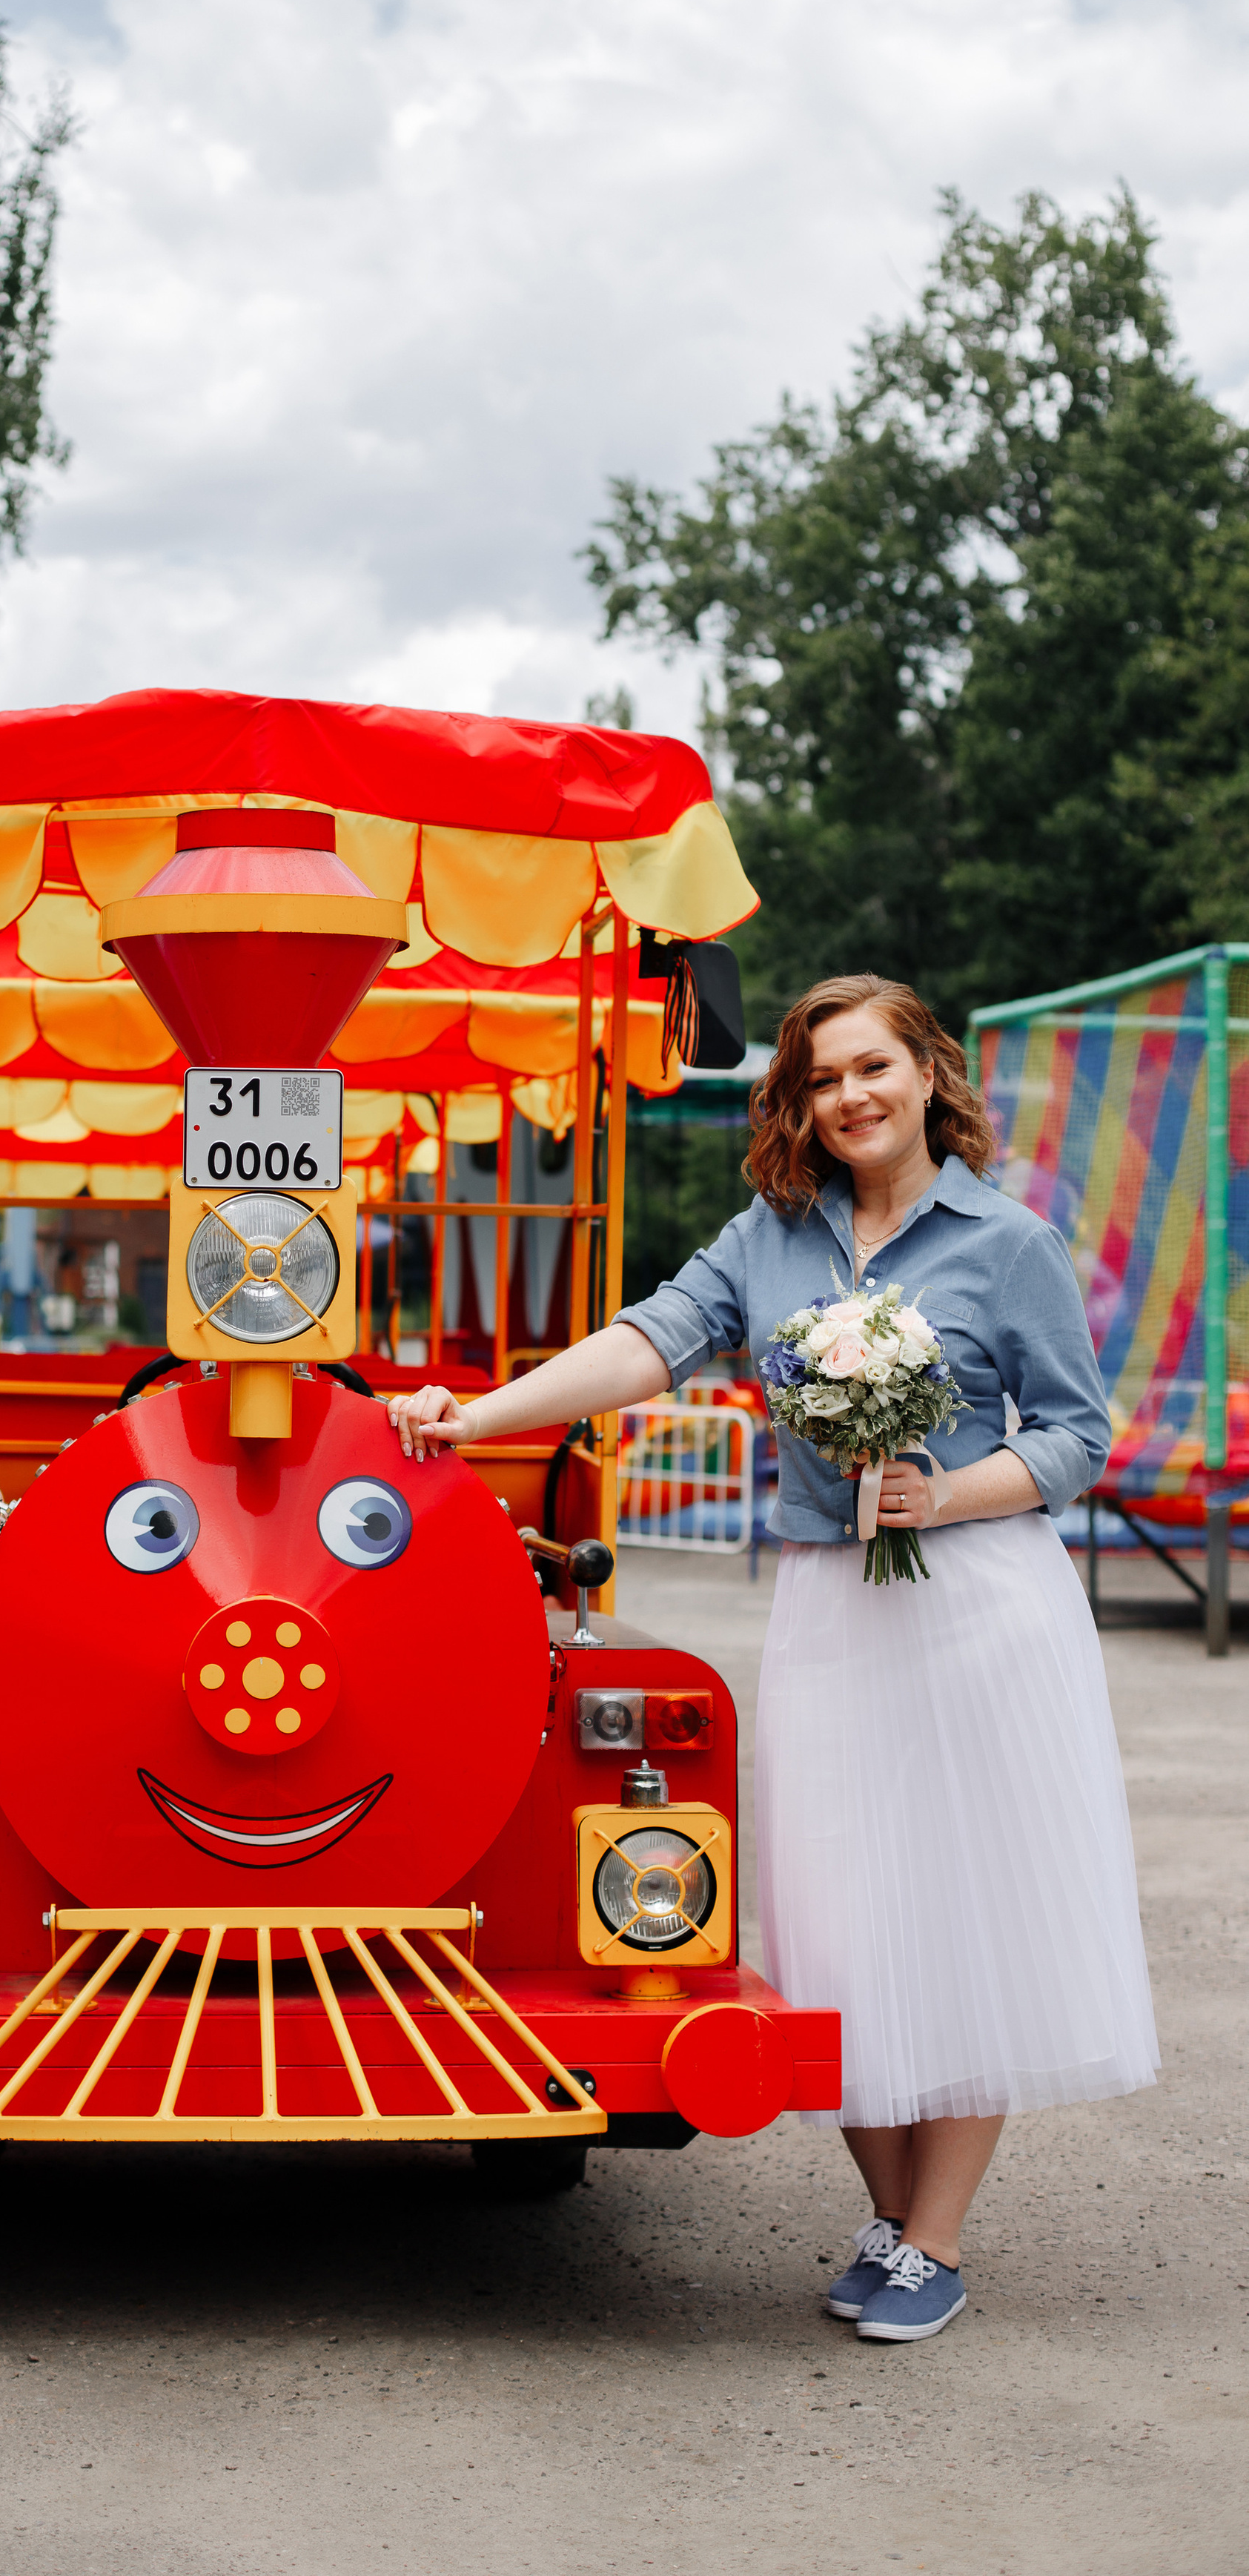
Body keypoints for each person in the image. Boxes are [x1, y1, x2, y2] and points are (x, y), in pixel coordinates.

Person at [388, 971, 1156, 2345]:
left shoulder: (1009, 1241)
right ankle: (881, 2210)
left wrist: (946, 1492)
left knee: (963, 1908)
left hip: (980, 1605)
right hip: (832, 1608)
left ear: (928, 1072)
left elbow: (1078, 1437)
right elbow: (645, 1347)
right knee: (838, 1910)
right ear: (796, 1102)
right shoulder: (771, 1233)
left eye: (873, 1067)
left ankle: (934, 2239)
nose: (849, 1097)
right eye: (820, 1079)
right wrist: (477, 1418)